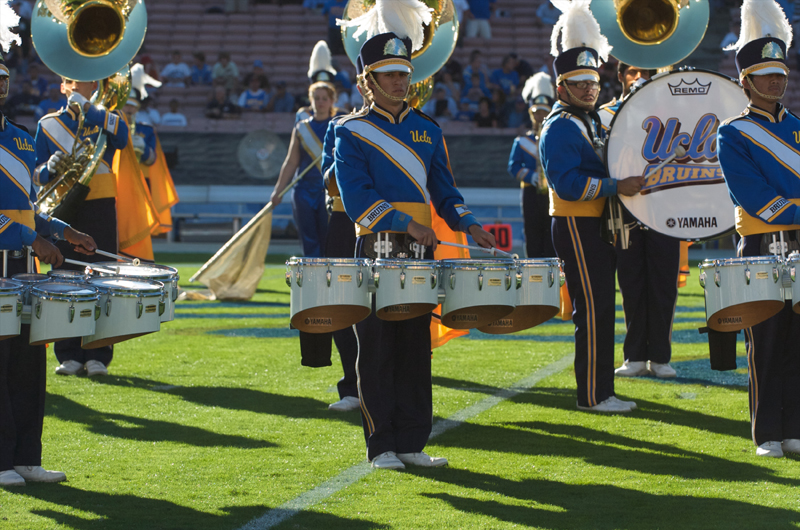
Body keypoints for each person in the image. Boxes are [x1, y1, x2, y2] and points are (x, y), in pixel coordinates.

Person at [336, 0, 497, 469]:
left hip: (422, 248)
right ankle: (381, 444)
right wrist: (406, 224)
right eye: (388, 75)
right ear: (368, 80)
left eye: (403, 73)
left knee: (414, 347)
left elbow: (447, 191)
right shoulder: (351, 132)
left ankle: (412, 441)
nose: (399, 81)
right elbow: (358, 199)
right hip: (381, 246)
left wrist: (469, 224)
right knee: (379, 349)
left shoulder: (427, 128)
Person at [0, 22, 97, 486]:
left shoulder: (19, 138)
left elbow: (27, 210)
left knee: (28, 364)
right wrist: (27, 239)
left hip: (24, 270)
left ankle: (26, 457)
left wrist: (63, 230)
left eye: (3, 78)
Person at [539, 0, 643, 413]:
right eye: (579, 83)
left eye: (593, 81)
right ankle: (592, 395)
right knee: (593, 308)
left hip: (599, 224)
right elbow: (566, 185)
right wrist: (617, 185)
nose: (590, 89)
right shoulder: (560, 125)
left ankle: (603, 390)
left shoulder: (594, 120)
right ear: (561, 87)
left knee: (603, 305)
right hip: (576, 224)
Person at [716, 0, 800, 458]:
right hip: (761, 246)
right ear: (745, 80)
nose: (776, 80)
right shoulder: (732, 134)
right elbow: (758, 200)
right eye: (766, 73)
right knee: (765, 341)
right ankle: (767, 433)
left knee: (798, 342)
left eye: (780, 72)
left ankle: (795, 431)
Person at [33, 76, 129, 377]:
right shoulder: (47, 124)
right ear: (62, 87)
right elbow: (33, 171)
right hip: (62, 208)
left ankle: (98, 353)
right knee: (64, 276)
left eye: (84, 81)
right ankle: (69, 352)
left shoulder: (107, 116)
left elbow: (122, 137)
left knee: (101, 275)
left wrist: (89, 108)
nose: (76, 86)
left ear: (95, 86)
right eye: (70, 81)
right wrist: (48, 170)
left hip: (100, 203)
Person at [596, 61, 679, 379]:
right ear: (619, 76)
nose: (640, 77)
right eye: (632, 71)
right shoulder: (604, 115)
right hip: (623, 209)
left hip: (665, 208)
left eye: (648, 71)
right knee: (630, 282)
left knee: (664, 283)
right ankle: (634, 356)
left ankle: (660, 356)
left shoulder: (673, 113)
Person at [270, 81, 337, 257]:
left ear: (331, 101)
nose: (320, 102)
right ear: (311, 101)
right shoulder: (301, 128)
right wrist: (278, 191)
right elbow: (291, 162)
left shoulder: (338, 127)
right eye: (316, 98)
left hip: (329, 190)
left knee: (328, 239)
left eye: (324, 98)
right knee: (308, 240)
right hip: (303, 191)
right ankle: (311, 278)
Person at [510, 72, 555, 258]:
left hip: (551, 193)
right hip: (530, 191)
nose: (541, 116)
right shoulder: (521, 141)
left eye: (544, 111)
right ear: (531, 113)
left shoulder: (554, 139)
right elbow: (513, 167)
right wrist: (531, 176)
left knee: (551, 233)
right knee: (532, 232)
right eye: (537, 112)